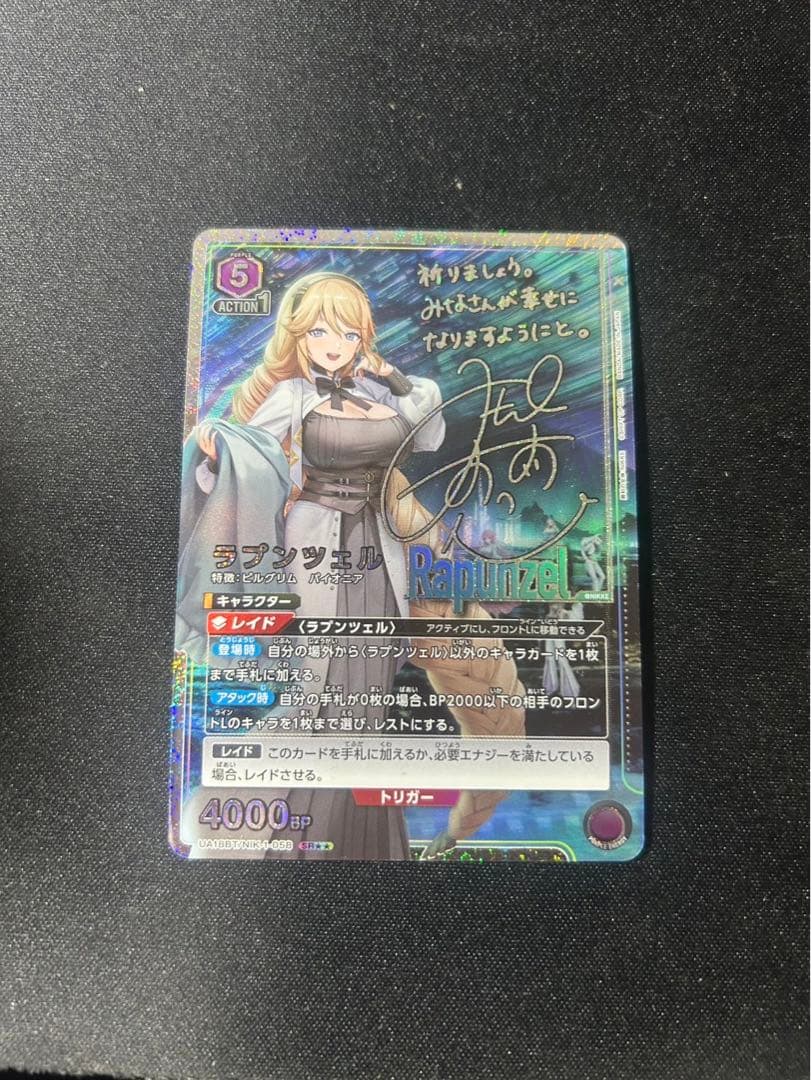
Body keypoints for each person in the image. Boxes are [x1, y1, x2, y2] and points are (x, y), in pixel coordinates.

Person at [177, 271, 525, 859]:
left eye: (346, 332)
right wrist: (216, 452)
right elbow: (252, 459)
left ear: (363, 336)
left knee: (370, 693)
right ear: (298, 336)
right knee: (317, 687)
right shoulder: (293, 396)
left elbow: (429, 431)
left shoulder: (380, 394)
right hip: (317, 547)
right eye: (318, 331)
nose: (333, 344)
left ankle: (365, 843)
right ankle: (254, 826)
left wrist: (389, 375)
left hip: (380, 553)